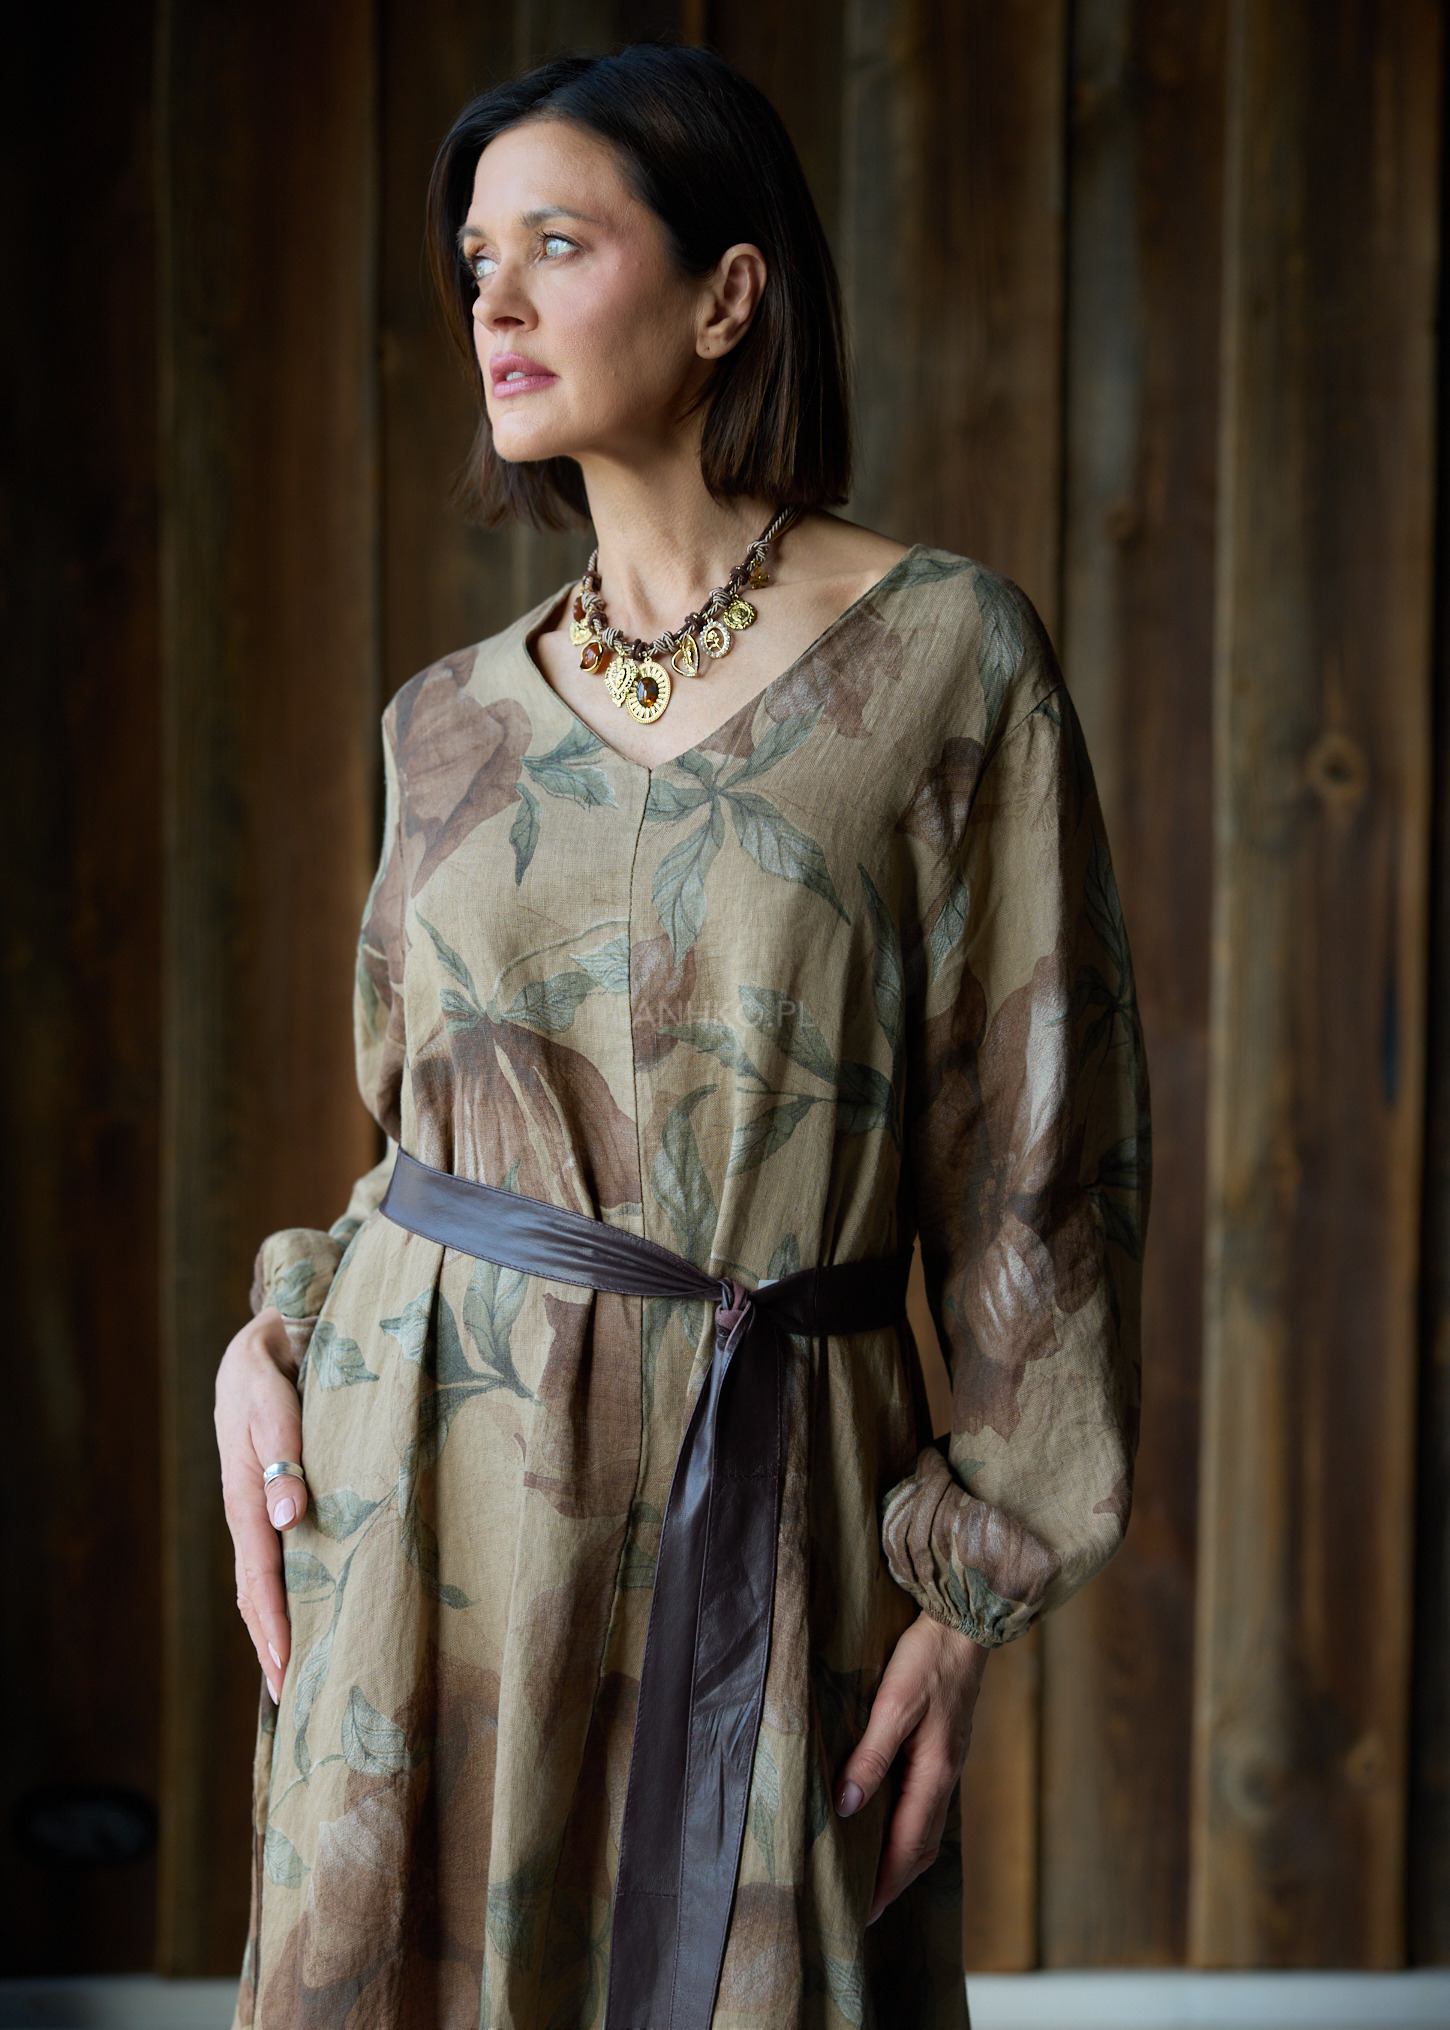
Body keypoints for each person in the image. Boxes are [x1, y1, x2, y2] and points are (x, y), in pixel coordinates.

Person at [215, 41, 1150, 2030]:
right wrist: (273, 1336)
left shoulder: (945, 659)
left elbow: (1039, 1161)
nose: (493, 299)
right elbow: (413, 1150)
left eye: (557, 243)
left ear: (728, 294)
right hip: (420, 1499)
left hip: (766, 1484)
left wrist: (963, 1602)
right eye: (475, 257)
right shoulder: (442, 722)